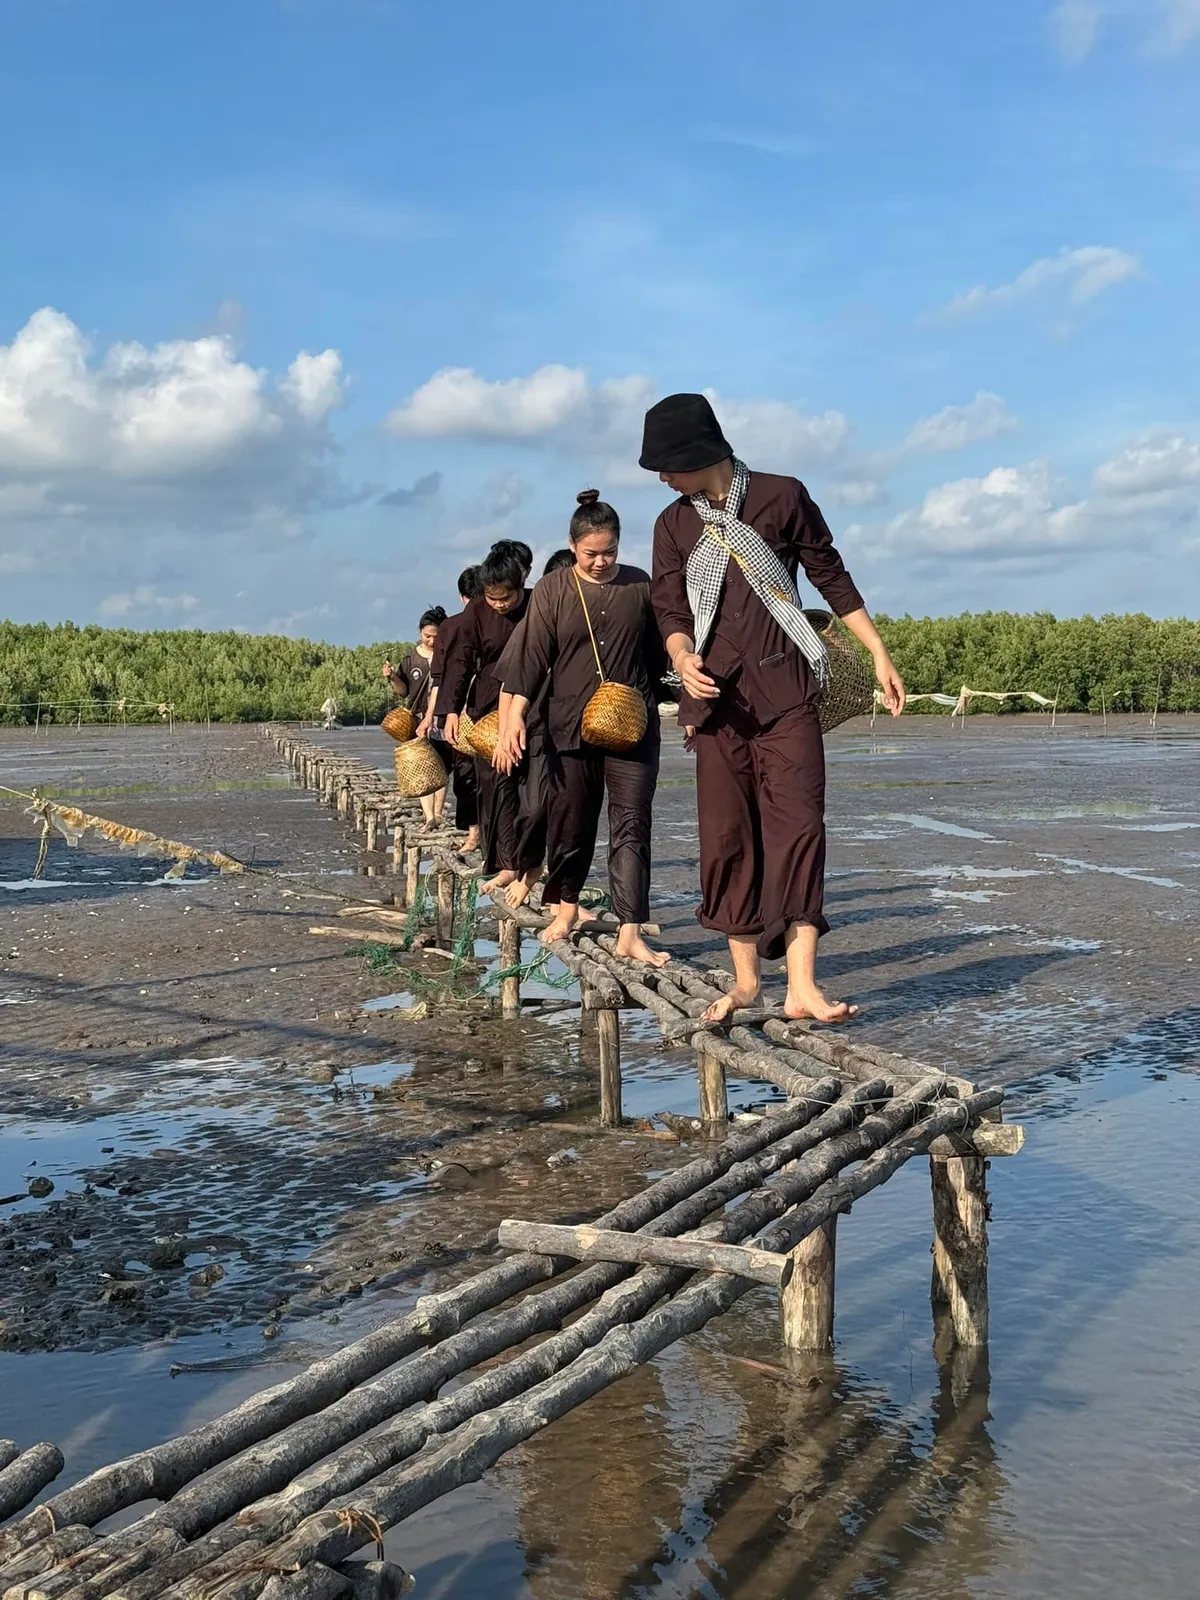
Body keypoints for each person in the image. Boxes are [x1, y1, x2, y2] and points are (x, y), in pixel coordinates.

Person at [644, 393, 905, 1022]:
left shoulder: (781, 497)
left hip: (787, 695)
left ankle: (802, 987)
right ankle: (747, 983)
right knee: (728, 837)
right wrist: (682, 661)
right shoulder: (673, 525)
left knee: (800, 829)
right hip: (715, 709)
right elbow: (670, 612)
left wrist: (877, 652)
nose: (660, 478)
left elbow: (829, 575)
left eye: (666, 465)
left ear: (699, 453)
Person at [495, 491, 669, 967]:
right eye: (590, 553)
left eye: (608, 552)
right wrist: (512, 721)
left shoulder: (640, 587)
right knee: (571, 821)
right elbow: (531, 659)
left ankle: (630, 928)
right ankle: (566, 907)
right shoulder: (553, 590)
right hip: (568, 728)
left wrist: (689, 712)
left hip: (632, 727)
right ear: (573, 547)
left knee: (632, 825)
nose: (600, 562)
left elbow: (660, 659)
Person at [441, 547, 531, 896]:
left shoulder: (538, 604)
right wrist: (450, 710)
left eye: (506, 597)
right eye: (492, 598)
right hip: (487, 706)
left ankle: (531, 861)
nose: (500, 604)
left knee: (532, 789)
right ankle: (504, 863)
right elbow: (459, 663)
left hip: (533, 702)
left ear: (520, 583)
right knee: (493, 785)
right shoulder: (475, 614)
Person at [494, 547, 577, 910]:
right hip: (538, 727)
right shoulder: (536, 621)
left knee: (573, 816)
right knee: (534, 807)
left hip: (581, 729)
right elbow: (508, 683)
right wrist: (502, 733)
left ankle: (563, 895)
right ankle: (528, 868)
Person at [418, 570, 482, 851]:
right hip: (466, 713)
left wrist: (433, 715)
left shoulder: (455, 626)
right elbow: (440, 678)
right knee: (469, 775)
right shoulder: (453, 627)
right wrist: (431, 716)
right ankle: (475, 834)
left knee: (471, 775)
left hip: (469, 712)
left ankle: (477, 834)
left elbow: (438, 680)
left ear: (461, 596)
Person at [386, 607, 447, 830]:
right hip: (416, 719)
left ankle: (438, 814)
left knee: (441, 766)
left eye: (436, 636)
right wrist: (392, 677)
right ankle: (429, 816)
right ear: (420, 632)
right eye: (427, 636)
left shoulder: (447, 655)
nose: (431, 640)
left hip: (441, 718)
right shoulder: (410, 660)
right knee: (422, 767)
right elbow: (402, 691)